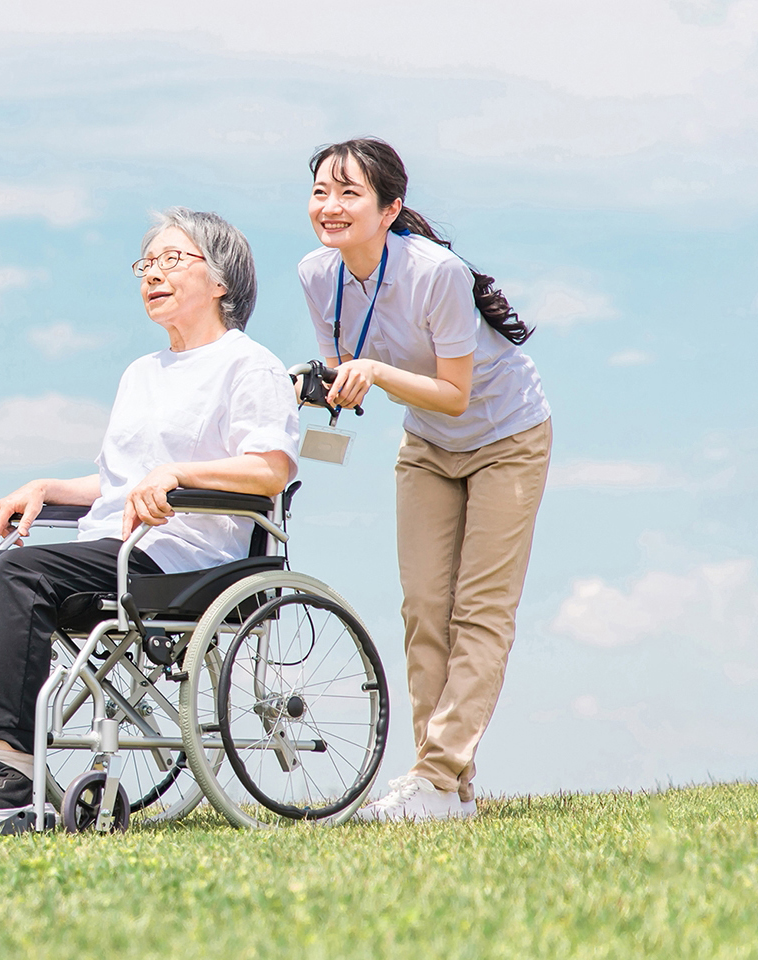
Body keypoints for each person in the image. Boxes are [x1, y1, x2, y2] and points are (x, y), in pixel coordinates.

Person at [0, 208, 302, 830]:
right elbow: (119, 479)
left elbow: (271, 469)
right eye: (146, 264)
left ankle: (13, 770)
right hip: (113, 545)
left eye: (173, 260)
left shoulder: (248, 364)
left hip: (187, 555)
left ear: (222, 279)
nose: (154, 274)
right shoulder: (141, 373)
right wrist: (48, 487)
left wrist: (180, 475)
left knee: (18, 574)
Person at [296, 137, 552, 823]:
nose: (331, 205)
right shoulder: (316, 275)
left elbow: (455, 392)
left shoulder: (435, 273)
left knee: (481, 611)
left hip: (507, 436)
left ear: (390, 207)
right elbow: (344, 384)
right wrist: (317, 387)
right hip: (429, 447)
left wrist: (374, 374)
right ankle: (446, 790)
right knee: (424, 611)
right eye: (322, 190)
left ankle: (436, 777)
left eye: (350, 192)